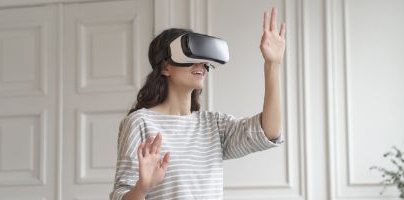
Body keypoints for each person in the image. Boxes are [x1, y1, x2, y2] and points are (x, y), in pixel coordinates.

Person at [110, 7, 286, 200]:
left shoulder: (213, 125)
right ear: (166, 66)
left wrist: (272, 65)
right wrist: (142, 188)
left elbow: (268, 132)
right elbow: (120, 195)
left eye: (203, 59)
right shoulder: (140, 122)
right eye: (190, 56)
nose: (201, 64)